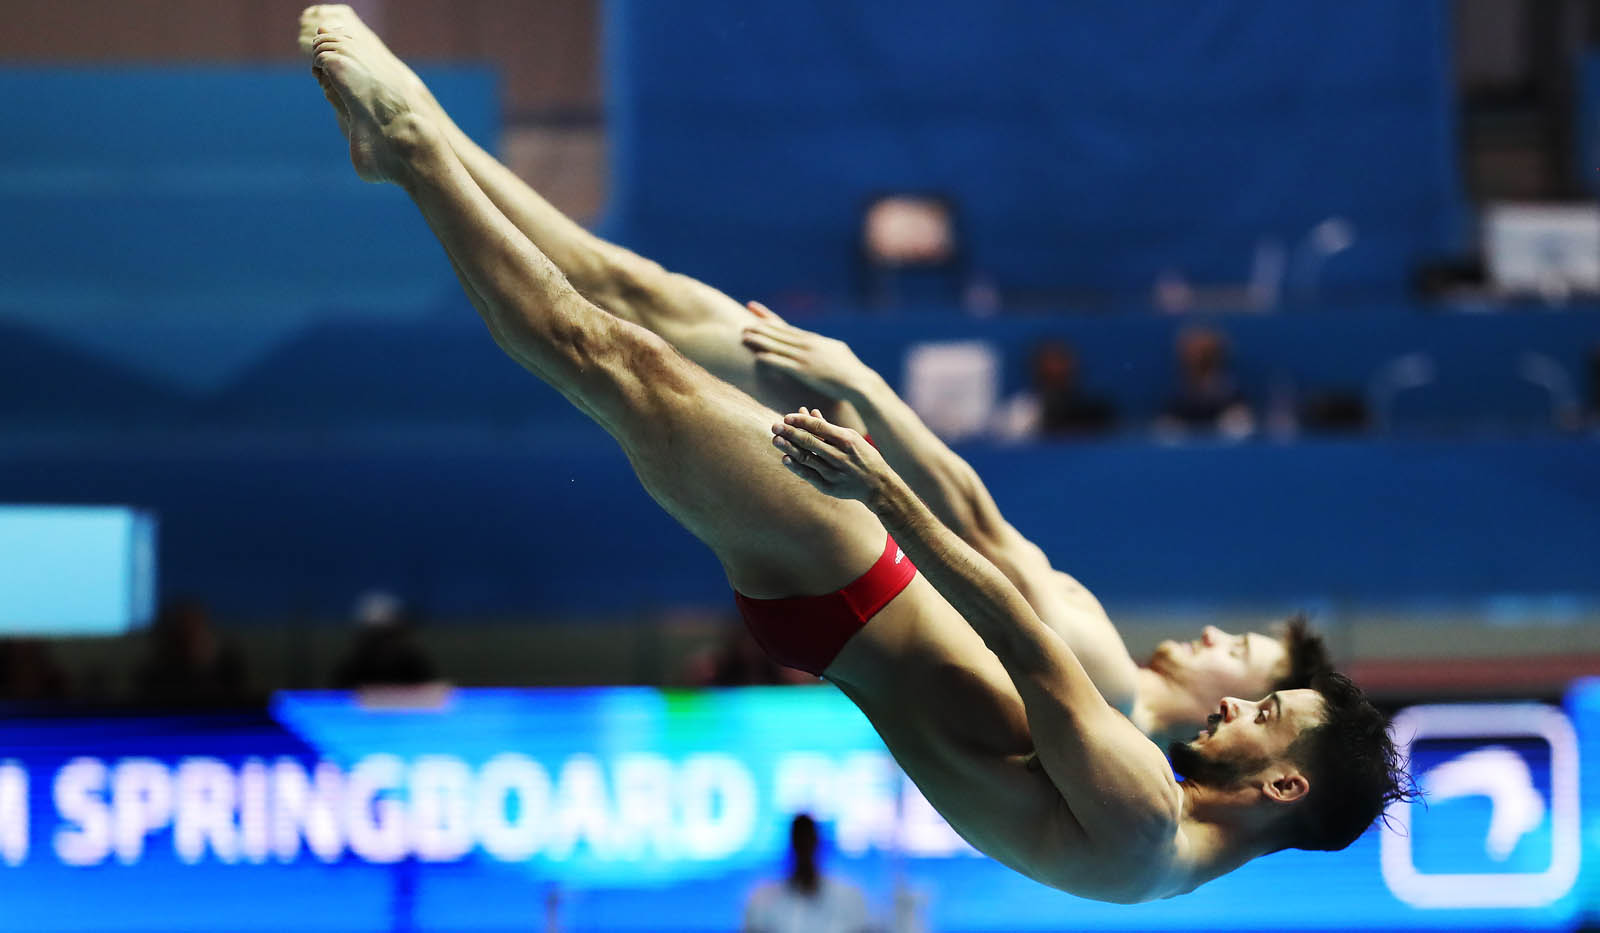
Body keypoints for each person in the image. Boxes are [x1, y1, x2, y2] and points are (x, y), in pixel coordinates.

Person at [299, 12, 1409, 901]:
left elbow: (1022, 633)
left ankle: (413, 149)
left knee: (613, 360)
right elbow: (992, 537)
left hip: (855, 577)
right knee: (633, 322)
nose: (1230, 689)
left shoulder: (1139, 829)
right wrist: (865, 392)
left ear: (1283, 782)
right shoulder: (1148, 794)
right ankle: (421, 145)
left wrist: (878, 484)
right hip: (851, 595)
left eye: (1260, 701)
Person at [743, 814, 872, 933]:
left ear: (816, 843)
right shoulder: (763, 901)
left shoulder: (849, 898)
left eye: (808, 841)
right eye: (800, 842)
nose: (804, 848)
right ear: (792, 845)